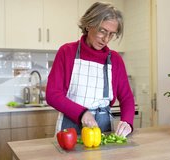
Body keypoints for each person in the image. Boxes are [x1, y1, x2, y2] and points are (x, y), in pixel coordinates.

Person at [46, 2, 135, 137]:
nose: (106, 39)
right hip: (70, 128)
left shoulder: (115, 60)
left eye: (111, 34)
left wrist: (127, 122)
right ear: (89, 25)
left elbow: (127, 98)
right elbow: (52, 95)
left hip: (104, 128)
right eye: (102, 31)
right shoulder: (67, 52)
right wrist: (82, 113)